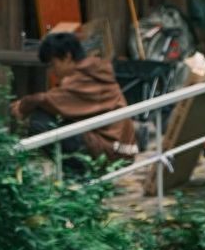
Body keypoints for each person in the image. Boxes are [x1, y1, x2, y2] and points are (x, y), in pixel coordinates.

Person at [11, 29, 137, 160]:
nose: (52, 72)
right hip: (124, 148)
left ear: (67, 57)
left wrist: (24, 104)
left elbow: (47, 100)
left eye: (53, 65)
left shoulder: (84, 77)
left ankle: (75, 174)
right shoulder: (94, 70)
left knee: (39, 120)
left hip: (114, 150)